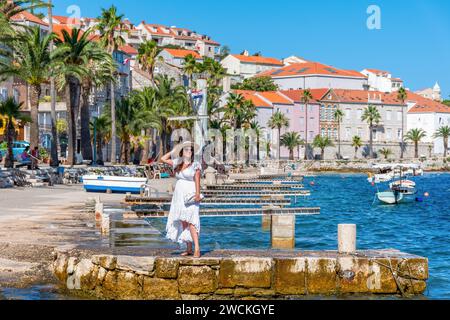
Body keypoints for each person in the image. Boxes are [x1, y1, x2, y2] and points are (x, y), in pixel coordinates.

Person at [161, 141, 203, 258]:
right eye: (186, 150)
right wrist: (173, 151)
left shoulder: (195, 165)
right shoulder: (178, 163)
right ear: (182, 152)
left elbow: (197, 180)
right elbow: (163, 158)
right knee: (183, 221)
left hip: (190, 195)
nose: (189, 151)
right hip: (178, 195)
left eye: (190, 150)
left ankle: (197, 249)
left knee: (191, 221)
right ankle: (189, 249)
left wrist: (198, 194)